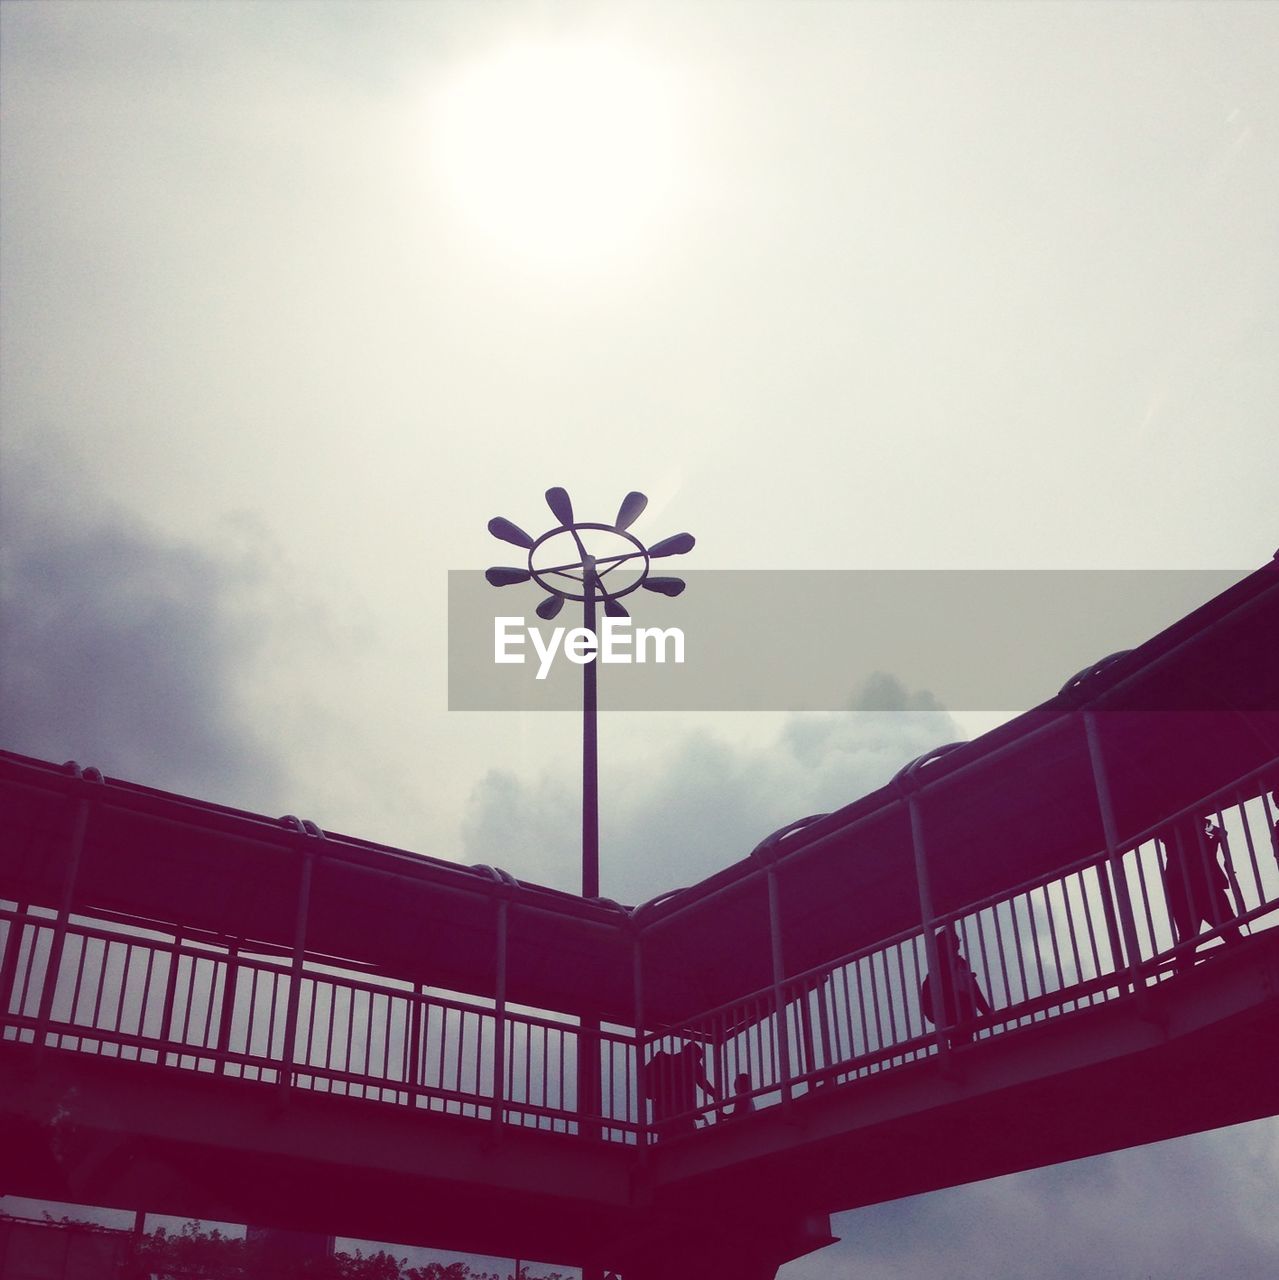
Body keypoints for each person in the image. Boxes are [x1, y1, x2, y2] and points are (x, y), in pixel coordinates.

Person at [1160, 812, 1242, 970]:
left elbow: (1219, 832)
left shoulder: (1181, 826)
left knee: (1189, 938)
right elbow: (1220, 833)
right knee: (1225, 930)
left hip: (1190, 886)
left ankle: (1183, 979)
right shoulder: (1192, 825)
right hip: (1199, 884)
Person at [919, 926, 992, 1048]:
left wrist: (987, 1012)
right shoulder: (939, 970)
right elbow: (973, 989)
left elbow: (973, 989)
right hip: (953, 1014)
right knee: (960, 1043)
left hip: (964, 1014)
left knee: (965, 1042)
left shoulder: (960, 964)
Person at [643, 1041, 719, 1139]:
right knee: (683, 1135)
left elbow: (701, 1081)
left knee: (668, 1135)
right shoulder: (688, 1064)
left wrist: (713, 1093)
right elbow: (702, 1082)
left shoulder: (669, 1061)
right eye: (697, 1058)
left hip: (667, 1105)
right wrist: (714, 1093)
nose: (698, 1061)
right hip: (675, 1105)